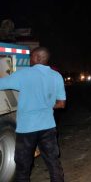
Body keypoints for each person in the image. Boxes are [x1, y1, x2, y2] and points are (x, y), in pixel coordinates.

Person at [0, 46, 66, 182]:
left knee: (23, 167)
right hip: (48, 127)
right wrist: (47, 105)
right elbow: (61, 104)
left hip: (26, 129)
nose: (29, 59)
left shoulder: (24, 74)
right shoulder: (56, 76)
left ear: (37, 58)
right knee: (53, 163)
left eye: (31, 57)